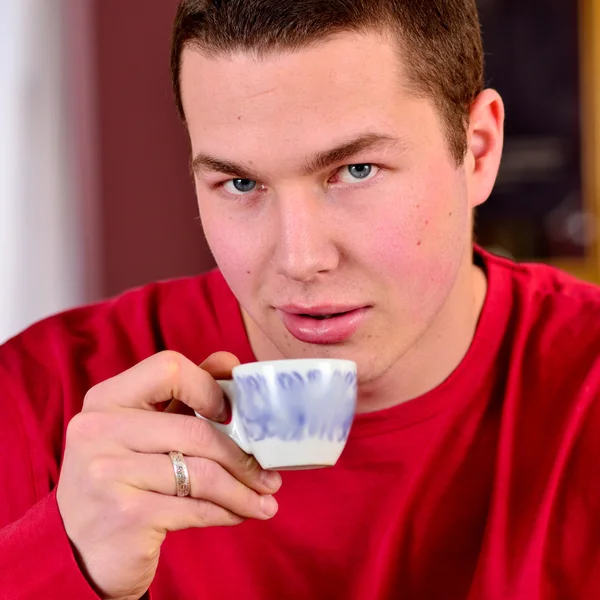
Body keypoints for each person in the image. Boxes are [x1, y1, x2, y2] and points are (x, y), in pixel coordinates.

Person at [1, 1, 599, 598]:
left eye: (357, 170)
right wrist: (66, 565)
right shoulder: (41, 399)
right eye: (240, 183)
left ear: (479, 150)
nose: (299, 258)